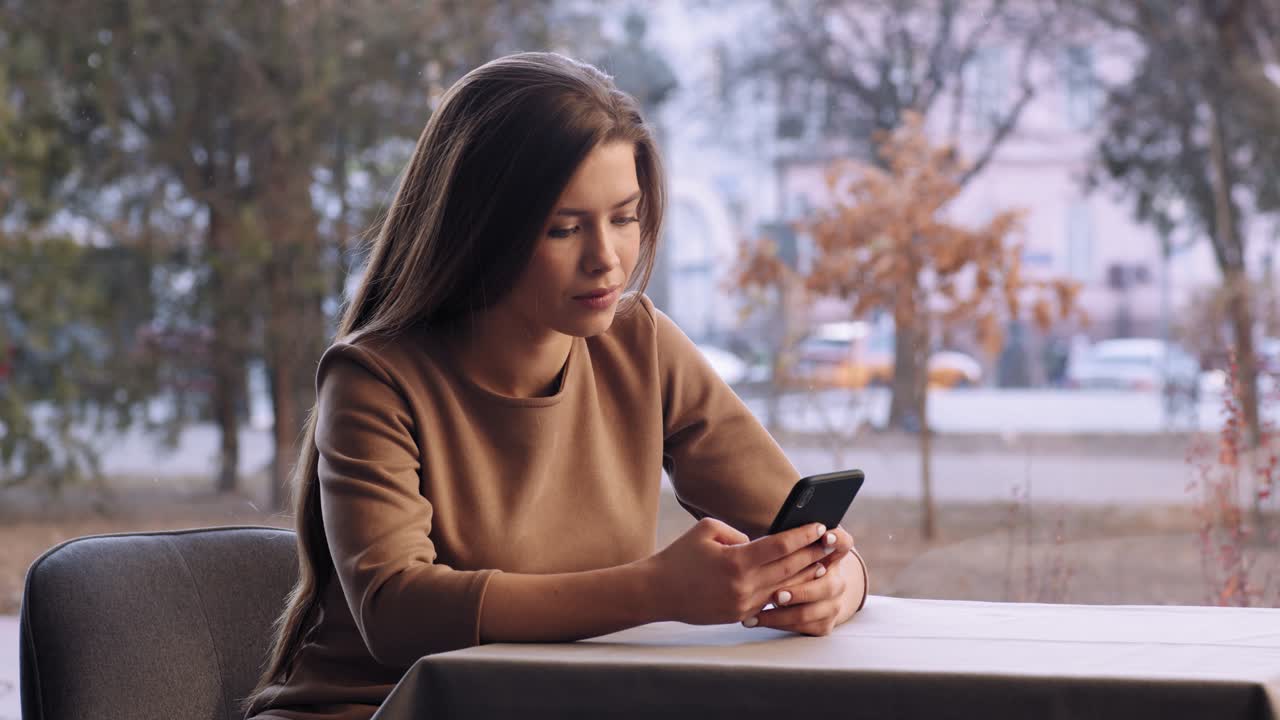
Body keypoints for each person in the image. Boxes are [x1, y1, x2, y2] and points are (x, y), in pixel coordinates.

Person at [242, 52, 868, 720]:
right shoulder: (375, 378)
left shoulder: (641, 345)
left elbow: (799, 527)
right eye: (564, 228)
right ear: (480, 229)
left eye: (625, 218)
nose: (607, 259)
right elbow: (396, 612)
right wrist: (656, 590)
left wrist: (839, 584)